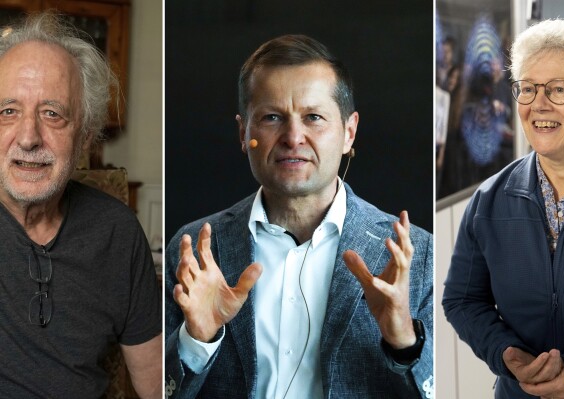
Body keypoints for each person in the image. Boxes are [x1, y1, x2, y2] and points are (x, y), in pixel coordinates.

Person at [164, 34, 433, 398]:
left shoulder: (419, 255)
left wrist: (404, 342)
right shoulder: (194, 251)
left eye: (314, 118)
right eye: (272, 117)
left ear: (348, 133)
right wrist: (197, 340)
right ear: (243, 133)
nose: (293, 137)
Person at [0, 12, 162, 398]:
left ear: (85, 137)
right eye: (8, 111)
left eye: (52, 114)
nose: (28, 137)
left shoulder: (117, 233)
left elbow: (156, 382)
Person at [443, 18, 564, 399]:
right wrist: (506, 354)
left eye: (558, 89)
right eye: (526, 88)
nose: (537, 104)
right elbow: (462, 300)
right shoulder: (489, 200)